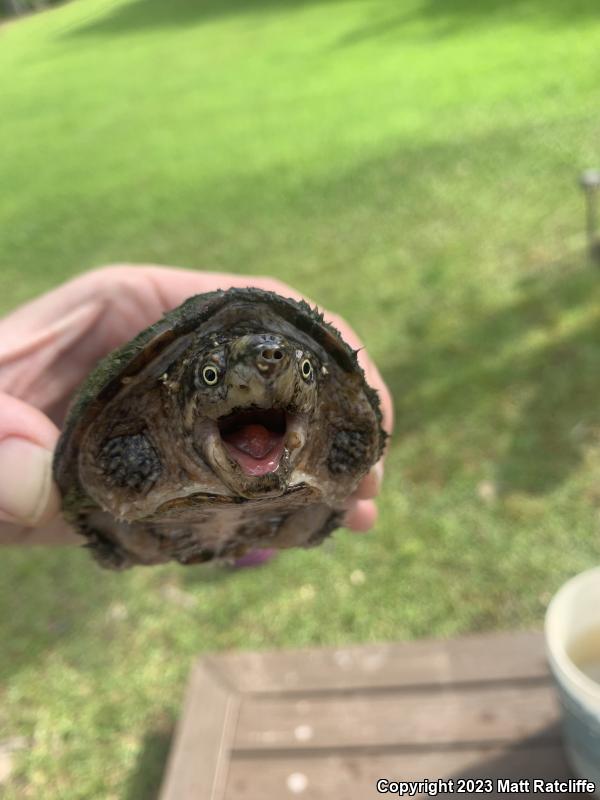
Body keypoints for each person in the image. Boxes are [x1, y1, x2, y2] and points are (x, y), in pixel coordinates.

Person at [0, 265, 393, 556]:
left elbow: (359, 435)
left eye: (303, 370)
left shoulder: (327, 424)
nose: (268, 377)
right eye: (210, 376)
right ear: (181, 392)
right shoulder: (138, 427)